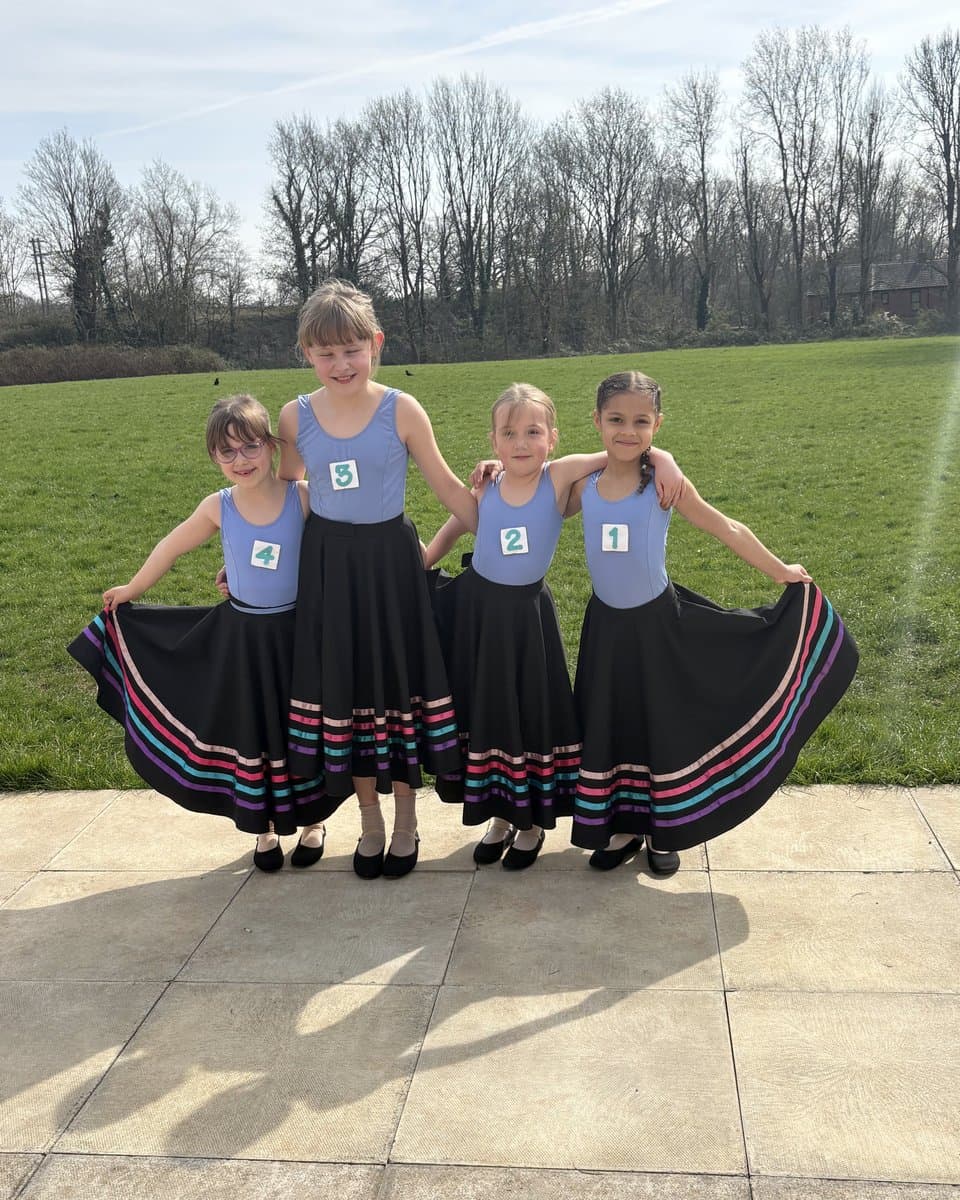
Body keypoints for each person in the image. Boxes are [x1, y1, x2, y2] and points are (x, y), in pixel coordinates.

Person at [567, 370, 859, 875]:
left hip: (657, 627)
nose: (627, 431)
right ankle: (625, 825)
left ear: (657, 424)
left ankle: (667, 830)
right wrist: (493, 468)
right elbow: (528, 484)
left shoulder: (661, 483)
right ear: (596, 421)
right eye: (615, 419)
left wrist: (781, 571)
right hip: (606, 631)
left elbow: (724, 525)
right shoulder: (582, 486)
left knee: (662, 726)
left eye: (641, 421)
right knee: (614, 723)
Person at [422, 383, 684, 869]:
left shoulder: (560, 476)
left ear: (553, 437)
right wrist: (424, 559)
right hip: (481, 616)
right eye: (509, 434)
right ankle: (499, 815)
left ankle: (531, 823)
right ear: (494, 440)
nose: (521, 443)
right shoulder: (488, 484)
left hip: (527, 622)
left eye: (533, 432)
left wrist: (664, 459)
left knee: (527, 714)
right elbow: (460, 522)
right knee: (489, 712)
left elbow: (620, 450)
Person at [68, 394, 329, 872]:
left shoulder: (304, 497)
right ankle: (264, 828)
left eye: (249, 447)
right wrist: (133, 586)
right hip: (242, 641)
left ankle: (313, 824)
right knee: (251, 729)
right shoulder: (219, 506)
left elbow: (345, 545)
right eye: (226, 452)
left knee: (300, 731)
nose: (240, 460)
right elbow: (171, 547)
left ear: (270, 446)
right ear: (214, 458)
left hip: (297, 638)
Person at [279, 279, 477, 880]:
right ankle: (369, 821)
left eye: (352, 350)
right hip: (330, 569)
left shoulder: (402, 408)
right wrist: (246, 555)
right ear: (307, 355)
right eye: (326, 353)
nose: (341, 364)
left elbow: (446, 487)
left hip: (392, 567)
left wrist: (501, 526)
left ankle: (407, 822)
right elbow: (288, 494)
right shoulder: (295, 415)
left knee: (396, 687)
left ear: (376, 344)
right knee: (350, 688)